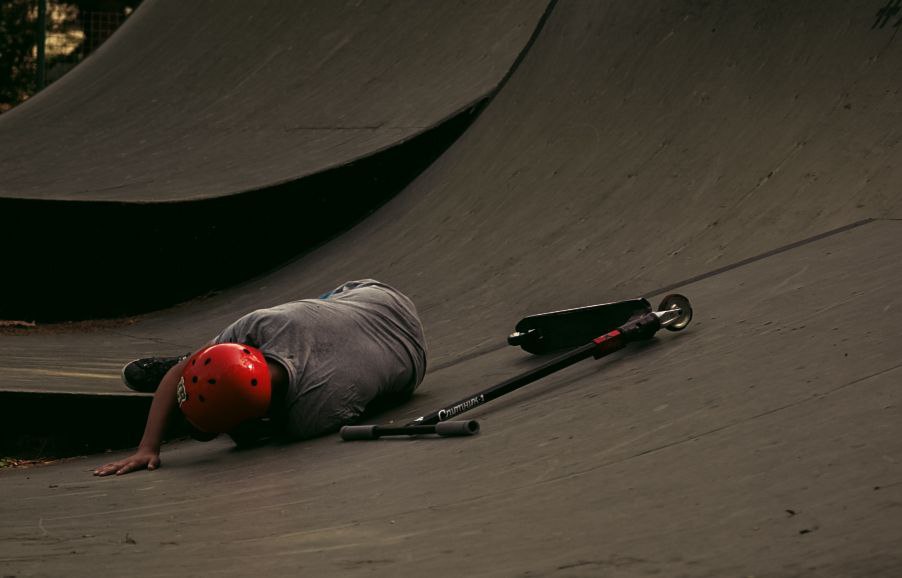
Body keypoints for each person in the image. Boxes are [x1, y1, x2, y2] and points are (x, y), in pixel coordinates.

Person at [93, 280, 427, 476]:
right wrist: (147, 447)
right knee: (305, 314)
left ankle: (200, 367)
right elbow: (180, 376)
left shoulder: (311, 416)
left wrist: (240, 431)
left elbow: (252, 436)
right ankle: (194, 360)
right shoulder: (262, 323)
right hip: (380, 297)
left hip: (412, 361)